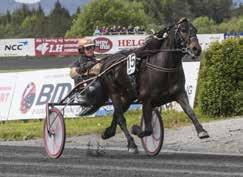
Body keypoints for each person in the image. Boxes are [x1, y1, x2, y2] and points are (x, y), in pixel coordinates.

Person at [70, 38, 102, 107]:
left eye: (92, 47)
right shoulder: (80, 60)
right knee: (76, 75)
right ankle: (82, 95)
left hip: (94, 80)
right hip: (85, 81)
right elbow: (74, 72)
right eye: (88, 48)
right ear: (82, 50)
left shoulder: (96, 59)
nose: (91, 50)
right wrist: (86, 67)